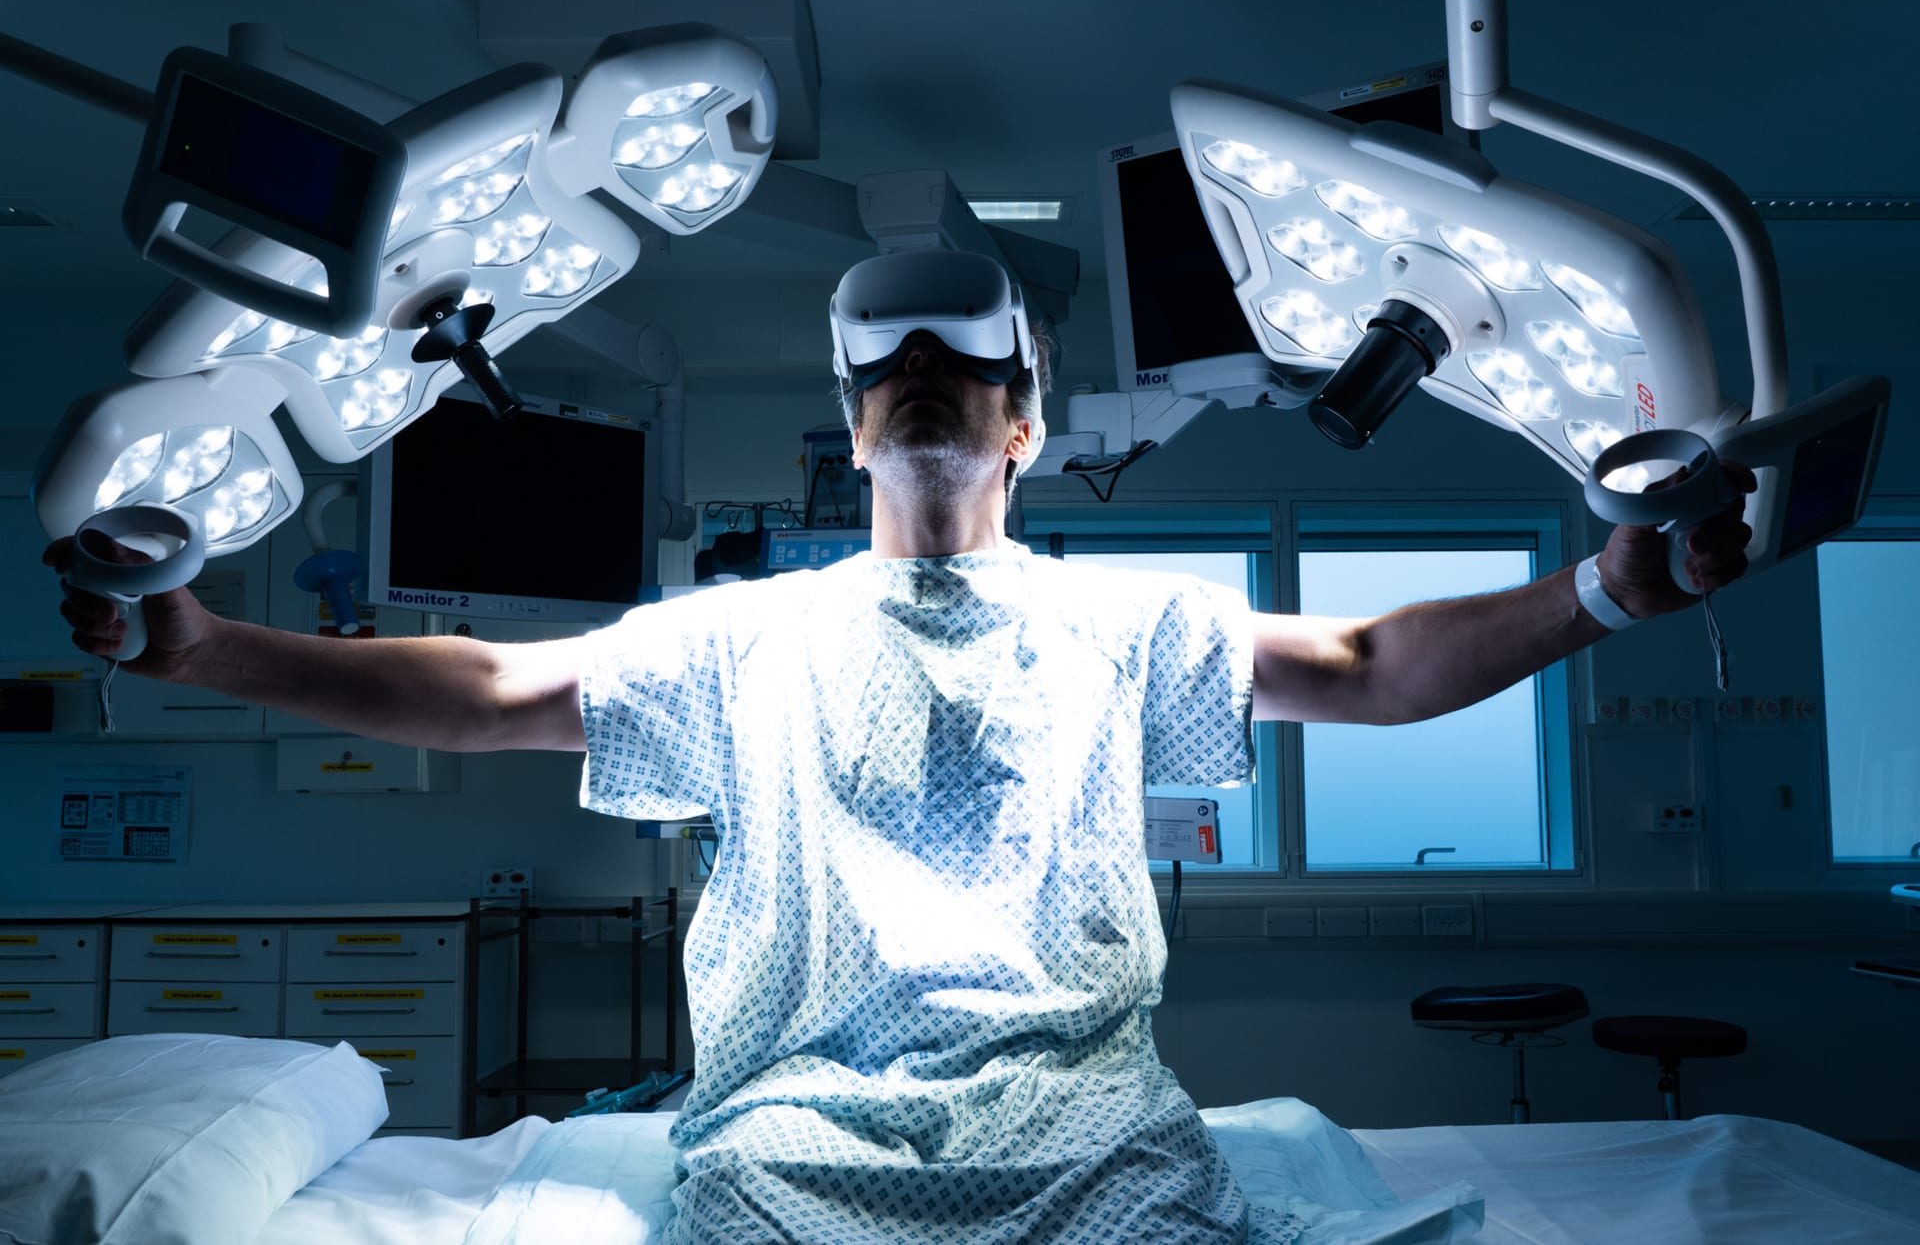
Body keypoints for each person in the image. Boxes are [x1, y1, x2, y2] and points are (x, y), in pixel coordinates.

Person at [46, 250, 1753, 1243]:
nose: (926, 378)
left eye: (966, 363)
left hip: (1098, 1154)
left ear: (1026, 418)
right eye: (893, 365)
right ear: (851, 417)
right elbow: (488, 692)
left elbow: (1377, 662)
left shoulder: (1124, 623)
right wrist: (202, 643)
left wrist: (1601, 591)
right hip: (794, 1163)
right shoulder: (739, 636)